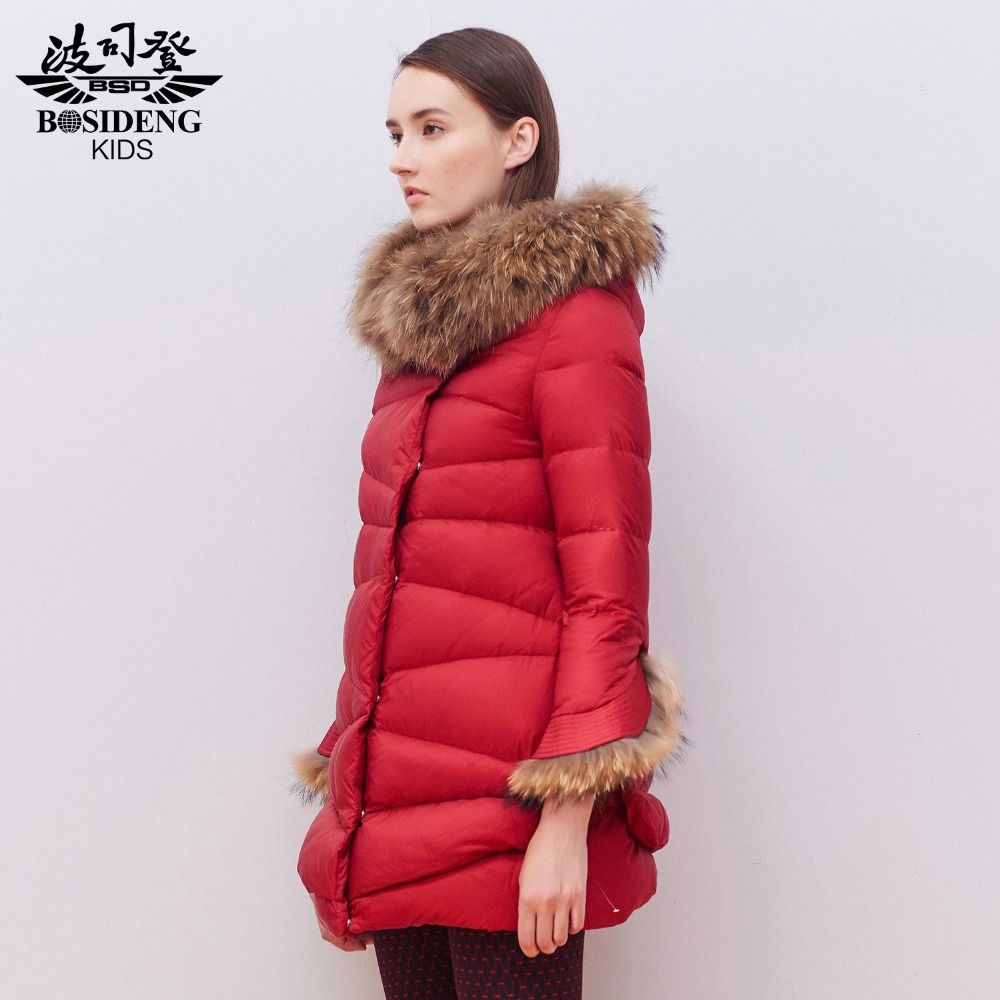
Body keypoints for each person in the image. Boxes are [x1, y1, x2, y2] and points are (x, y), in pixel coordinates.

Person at [289, 26, 689, 1000]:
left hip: (514, 808)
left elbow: (606, 590)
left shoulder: (577, 321)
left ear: (518, 140)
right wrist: (348, 803)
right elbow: (391, 591)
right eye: (394, 133)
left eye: (432, 129)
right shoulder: (418, 342)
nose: (403, 159)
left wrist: (565, 816)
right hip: (400, 803)